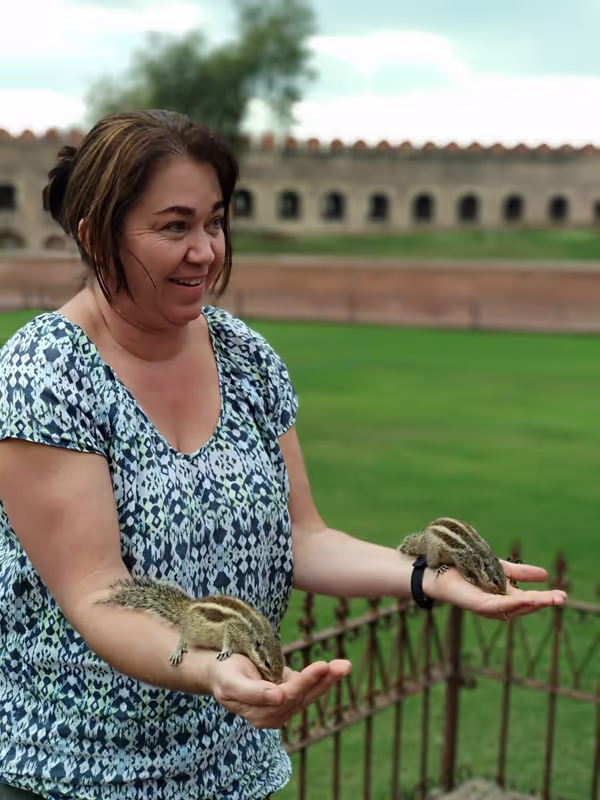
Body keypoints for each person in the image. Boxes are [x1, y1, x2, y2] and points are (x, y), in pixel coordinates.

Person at [0, 109, 566, 800]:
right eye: (174, 226)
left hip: (235, 772)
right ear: (96, 234)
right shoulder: (45, 373)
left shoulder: (245, 358)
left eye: (213, 221)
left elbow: (302, 537)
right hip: (76, 777)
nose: (205, 250)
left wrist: (426, 576)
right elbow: (97, 595)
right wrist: (209, 667)